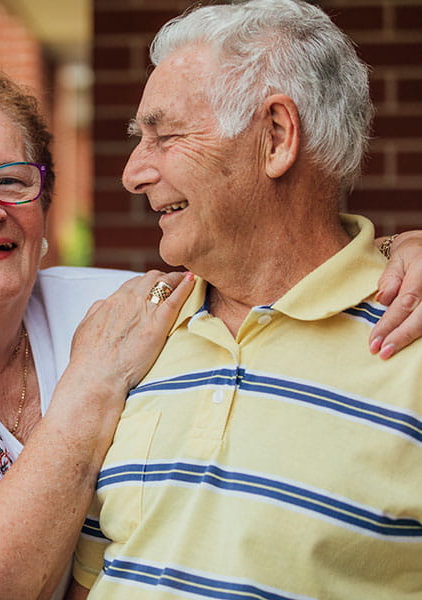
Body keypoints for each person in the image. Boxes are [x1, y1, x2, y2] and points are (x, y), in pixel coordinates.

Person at [0, 55, 422, 599]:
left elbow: (255, 270)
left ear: (42, 206)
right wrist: (92, 382)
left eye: (12, 181)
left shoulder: (105, 303)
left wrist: (395, 253)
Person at [69, 1, 422, 599]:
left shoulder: (408, 338)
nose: (132, 173)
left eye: (164, 135)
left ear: (277, 137)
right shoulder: (135, 335)